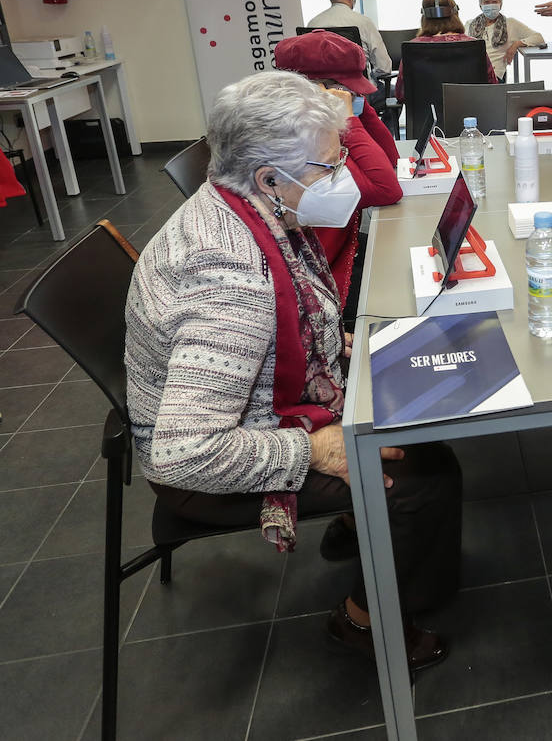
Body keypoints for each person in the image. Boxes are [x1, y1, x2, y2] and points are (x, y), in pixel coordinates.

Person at [124, 71, 464, 672]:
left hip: (253, 404)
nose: (341, 180)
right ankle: (365, 620)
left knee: (407, 416)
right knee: (425, 475)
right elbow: (183, 454)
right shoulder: (231, 276)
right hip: (210, 460)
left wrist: (345, 343)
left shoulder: (245, 208)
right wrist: (316, 450)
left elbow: (295, 313)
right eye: (327, 169)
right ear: (268, 178)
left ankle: (364, 537)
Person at [274, 31, 402, 323]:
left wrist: (361, 108)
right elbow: (386, 188)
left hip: (341, 250)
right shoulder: (305, 143)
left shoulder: (318, 125)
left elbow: (390, 158)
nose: (354, 98)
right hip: (321, 283)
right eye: (347, 90)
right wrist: (349, 120)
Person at [394, 0, 499, 101]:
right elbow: (492, 88)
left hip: (427, 117)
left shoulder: (413, 48)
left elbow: (401, 94)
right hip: (471, 116)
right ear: (455, 14)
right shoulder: (474, 46)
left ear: (424, 17)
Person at [307, 0, 392, 81]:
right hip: (360, 93)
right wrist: (370, 78)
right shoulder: (364, 22)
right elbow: (384, 67)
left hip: (325, 93)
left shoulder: (313, 24)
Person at [468, 0, 546, 81]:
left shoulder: (510, 23)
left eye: (494, 1)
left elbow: (538, 37)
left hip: (493, 76)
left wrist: (516, 44)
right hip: (471, 72)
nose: (491, 5)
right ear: (480, 5)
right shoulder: (470, 24)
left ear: (500, 4)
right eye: (486, 2)